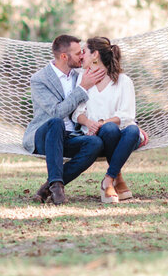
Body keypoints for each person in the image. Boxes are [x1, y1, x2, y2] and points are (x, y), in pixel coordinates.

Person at [22, 34, 107, 205]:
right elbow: (55, 113)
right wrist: (82, 88)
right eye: (77, 53)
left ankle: (52, 186)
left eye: (82, 52)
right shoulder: (40, 79)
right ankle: (57, 189)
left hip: (70, 137)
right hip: (43, 136)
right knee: (56, 122)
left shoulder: (80, 75)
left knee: (95, 144)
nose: (82, 56)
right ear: (63, 56)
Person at [73, 36, 141, 204]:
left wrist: (103, 122)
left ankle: (108, 180)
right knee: (109, 130)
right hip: (96, 135)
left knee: (133, 130)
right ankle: (118, 178)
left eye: (85, 52)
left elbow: (127, 115)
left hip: (123, 133)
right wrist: (90, 123)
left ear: (95, 55)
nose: (81, 56)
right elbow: (77, 114)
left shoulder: (123, 81)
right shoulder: (83, 79)